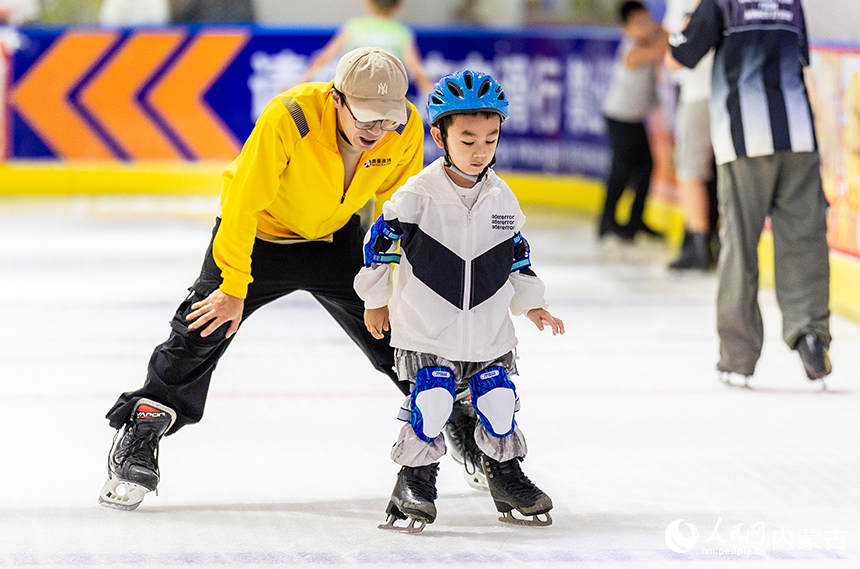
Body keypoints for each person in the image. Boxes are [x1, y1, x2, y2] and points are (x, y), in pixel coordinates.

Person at [99, 48, 424, 511]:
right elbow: (242, 203)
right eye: (368, 120)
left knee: (400, 329)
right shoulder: (289, 117)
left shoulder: (405, 126)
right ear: (336, 100)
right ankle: (144, 427)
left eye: (387, 121)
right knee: (202, 327)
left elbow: (397, 214)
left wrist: (385, 286)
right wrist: (232, 285)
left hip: (334, 240)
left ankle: (450, 414)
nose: (378, 132)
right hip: (259, 235)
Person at [355, 70, 565, 531]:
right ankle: (414, 481)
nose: (480, 150)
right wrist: (374, 301)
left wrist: (533, 303)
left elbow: (516, 259)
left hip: (489, 330)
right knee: (431, 399)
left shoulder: (502, 199)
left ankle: (506, 476)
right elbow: (379, 249)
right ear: (439, 136)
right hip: (428, 327)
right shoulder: (416, 196)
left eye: (490, 139)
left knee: (498, 402)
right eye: (467, 139)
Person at [669, 0, 832, 384]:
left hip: (744, 137)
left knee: (740, 243)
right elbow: (802, 58)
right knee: (804, 239)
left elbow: (679, 57)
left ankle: (738, 356)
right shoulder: (791, 2)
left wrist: (688, 19)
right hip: (798, 135)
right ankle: (811, 336)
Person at [598, 0, 667, 241]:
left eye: (647, 20)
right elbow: (662, 49)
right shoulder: (632, 51)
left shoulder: (646, 41)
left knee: (646, 168)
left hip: (636, 119)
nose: (646, 26)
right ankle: (606, 222)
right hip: (619, 118)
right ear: (625, 29)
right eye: (638, 23)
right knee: (621, 171)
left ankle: (635, 220)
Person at [663, 0, 716, 270]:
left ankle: (699, 247)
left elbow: (674, 54)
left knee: (690, 172)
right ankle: (704, 243)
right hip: (727, 91)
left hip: (698, 92)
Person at [301, 0, 433, 96]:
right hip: (388, 95)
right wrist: (434, 96)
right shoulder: (402, 32)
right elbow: (417, 72)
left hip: (352, 92)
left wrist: (301, 82)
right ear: (399, 6)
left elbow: (325, 57)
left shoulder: (353, 26)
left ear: (368, 3)